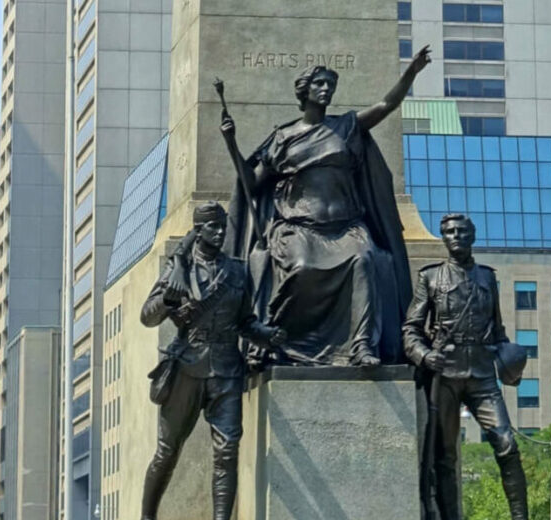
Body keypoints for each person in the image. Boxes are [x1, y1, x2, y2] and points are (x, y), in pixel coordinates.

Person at [219, 46, 432, 367]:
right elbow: (251, 182)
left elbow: (386, 105)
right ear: (304, 91)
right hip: (299, 228)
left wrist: (411, 73)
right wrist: (231, 143)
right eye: (319, 84)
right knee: (302, 267)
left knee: (365, 260)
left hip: (346, 227)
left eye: (330, 85)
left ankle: (362, 347)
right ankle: (278, 339)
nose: (326, 90)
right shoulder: (284, 137)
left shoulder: (346, 126)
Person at [139, 201, 286, 520]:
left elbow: (245, 321)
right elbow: (147, 317)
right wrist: (168, 299)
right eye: (212, 227)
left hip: (227, 370)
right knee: (167, 451)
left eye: (223, 227)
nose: (219, 233)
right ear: (198, 230)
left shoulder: (237, 269)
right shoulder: (180, 269)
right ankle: (147, 516)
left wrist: (267, 336)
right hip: (187, 369)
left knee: (227, 450)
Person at [402, 213, 528, 520]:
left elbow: (498, 329)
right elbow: (410, 329)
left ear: (472, 236)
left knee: (507, 444)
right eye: (449, 232)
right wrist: (424, 355)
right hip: (444, 375)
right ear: (443, 238)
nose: (455, 236)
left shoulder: (487, 277)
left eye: (461, 231)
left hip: (483, 376)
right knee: (445, 457)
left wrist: (510, 357)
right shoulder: (430, 277)